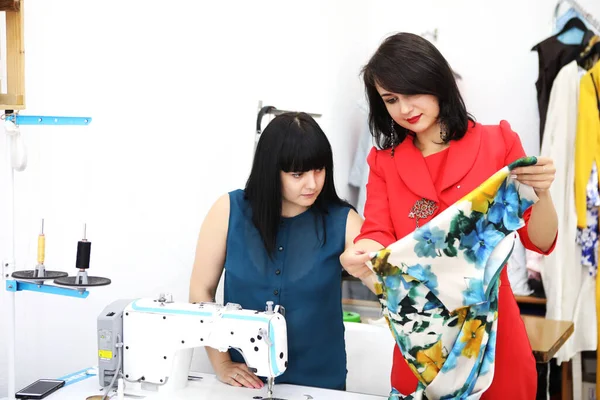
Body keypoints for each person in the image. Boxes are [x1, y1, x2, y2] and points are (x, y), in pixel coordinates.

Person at [340, 32, 558, 399]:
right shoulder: (384, 163)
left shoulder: (497, 143)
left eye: (412, 93)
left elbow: (540, 239)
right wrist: (360, 252)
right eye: (390, 99)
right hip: (421, 341)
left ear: (436, 80)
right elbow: (377, 232)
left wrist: (543, 191)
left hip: (495, 334)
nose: (404, 108)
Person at [189, 112, 362, 391]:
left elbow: (383, 280)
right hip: (246, 383)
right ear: (271, 171)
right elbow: (201, 293)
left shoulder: (344, 221)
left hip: (319, 383)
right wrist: (222, 364)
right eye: (298, 174)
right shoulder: (228, 210)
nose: (312, 183)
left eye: (319, 170)